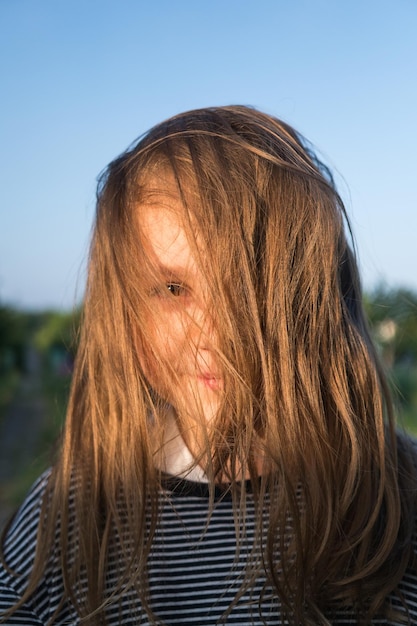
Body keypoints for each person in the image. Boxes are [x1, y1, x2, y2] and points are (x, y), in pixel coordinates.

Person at [1, 106, 416, 625]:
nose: (216, 333)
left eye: (253, 284)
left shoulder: (396, 496)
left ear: (319, 293)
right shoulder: (67, 515)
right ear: (125, 309)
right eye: (173, 289)